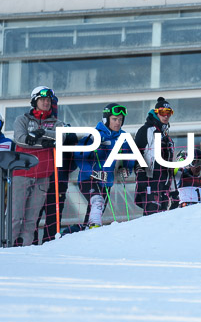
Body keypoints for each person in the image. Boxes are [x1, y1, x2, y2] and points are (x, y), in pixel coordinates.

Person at [12, 86, 66, 246]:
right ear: (35, 101)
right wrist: (45, 143)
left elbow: (60, 139)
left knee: (31, 219)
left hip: (43, 175)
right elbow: (21, 139)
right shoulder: (22, 119)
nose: (46, 102)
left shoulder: (57, 123)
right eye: (42, 99)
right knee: (15, 217)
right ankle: (5, 249)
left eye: (49, 100)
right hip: (21, 174)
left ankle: (26, 250)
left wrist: (39, 134)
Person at [75, 103, 134, 228]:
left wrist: (127, 169)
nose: (118, 122)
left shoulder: (123, 138)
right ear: (106, 119)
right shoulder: (94, 135)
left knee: (95, 211)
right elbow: (79, 156)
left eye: (120, 120)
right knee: (97, 202)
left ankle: (83, 233)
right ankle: (95, 229)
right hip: (88, 179)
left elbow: (129, 157)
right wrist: (91, 172)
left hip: (106, 182)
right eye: (114, 119)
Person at [134, 97, 176, 215]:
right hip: (149, 179)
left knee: (160, 218)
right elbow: (136, 152)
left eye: (169, 113)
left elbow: (170, 165)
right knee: (151, 215)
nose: (166, 116)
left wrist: (173, 190)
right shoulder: (146, 130)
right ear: (156, 112)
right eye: (163, 112)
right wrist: (140, 173)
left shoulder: (167, 137)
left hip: (164, 183)